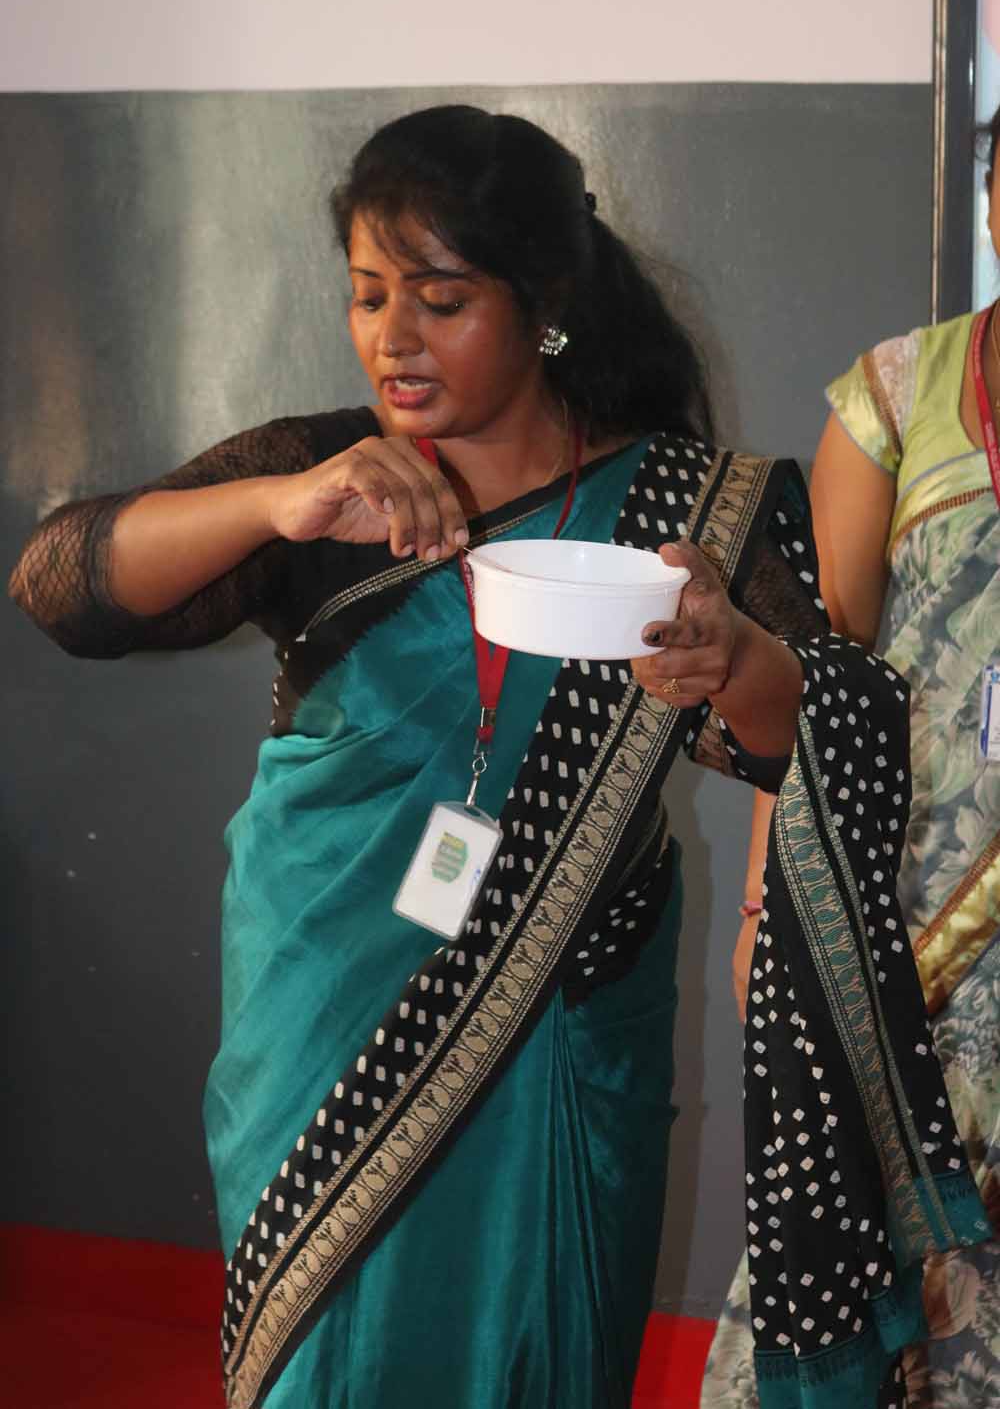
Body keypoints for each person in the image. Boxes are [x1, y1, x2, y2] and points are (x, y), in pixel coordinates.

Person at [8, 106, 985, 1409]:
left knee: (540, 1351)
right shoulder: (327, 477)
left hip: (568, 1031)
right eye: (367, 295)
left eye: (442, 298)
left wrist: (731, 659)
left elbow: (814, 747)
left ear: (546, 307)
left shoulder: (694, 510)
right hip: (326, 1016)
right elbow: (58, 587)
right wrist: (275, 507)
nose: (392, 338)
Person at [706, 107, 1000, 1409]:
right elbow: (817, 669)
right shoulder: (898, 394)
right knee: (866, 1238)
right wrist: (769, 904)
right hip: (901, 921)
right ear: (991, 201)